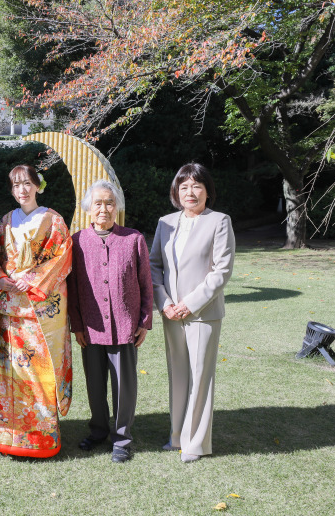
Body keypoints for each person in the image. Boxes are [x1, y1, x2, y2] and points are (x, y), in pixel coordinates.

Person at [0, 165, 73, 458]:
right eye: (16, 185)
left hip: (38, 307)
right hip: (8, 306)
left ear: (38, 186)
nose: (22, 190)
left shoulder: (53, 220)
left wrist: (31, 279)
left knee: (37, 372)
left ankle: (41, 438)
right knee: (5, 371)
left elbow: (62, 257)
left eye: (27, 184)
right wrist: (4, 280)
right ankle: (4, 436)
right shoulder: (6, 221)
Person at [149, 163, 235, 463]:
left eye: (197, 185)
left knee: (201, 378)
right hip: (171, 313)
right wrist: (165, 302)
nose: (190, 191)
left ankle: (195, 443)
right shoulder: (166, 223)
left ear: (207, 191)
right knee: (178, 375)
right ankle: (176, 437)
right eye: (184, 186)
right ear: (176, 191)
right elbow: (153, 265)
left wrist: (190, 303)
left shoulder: (219, 221)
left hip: (202, 313)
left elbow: (221, 270)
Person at [67, 180, 153, 463]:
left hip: (125, 326)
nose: (103, 208)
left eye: (109, 203)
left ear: (117, 208)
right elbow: (73, 288)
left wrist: (144, 320)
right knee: (94, 385)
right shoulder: (77, 242)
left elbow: (145, 283)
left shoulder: (133, 239)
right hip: (90, 328)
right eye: (98, 203)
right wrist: (77, 325)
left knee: (124, 386)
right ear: (88, 209)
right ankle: (99, 430)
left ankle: (122, 438)